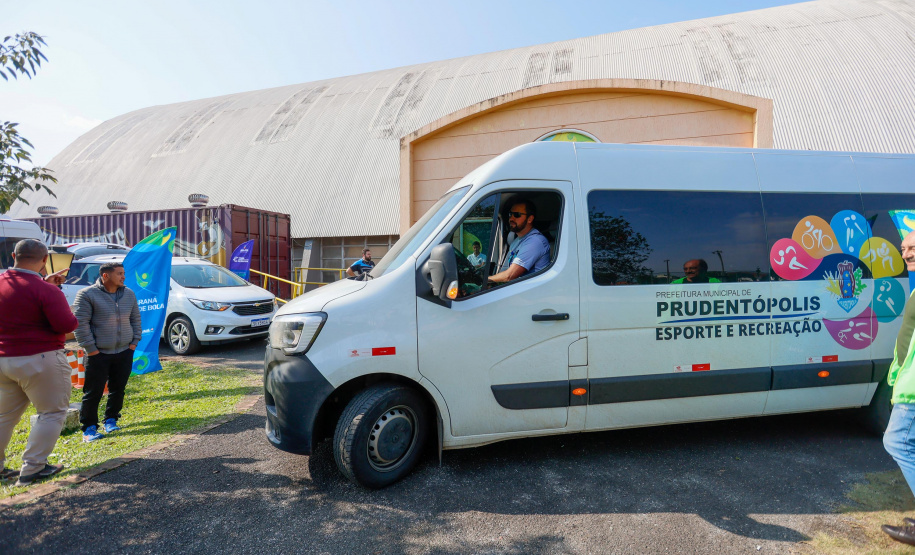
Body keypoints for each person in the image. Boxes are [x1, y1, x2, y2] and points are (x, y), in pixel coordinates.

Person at [0, 239, 76, 487]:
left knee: (4, 416)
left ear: (14, 255)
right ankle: (33, 468)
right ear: (45, 260)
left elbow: (19, 299)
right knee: (52, 412)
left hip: (4, 360)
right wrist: (51, 290)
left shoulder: (4, 283)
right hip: (40, 358)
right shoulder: (46, 291)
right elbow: (66, 326)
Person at [73, 261, 141, 442]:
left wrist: (134, 343)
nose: (123, 276)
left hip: (125, 351)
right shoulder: (87, 295)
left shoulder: (129, 294)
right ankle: (89, 428)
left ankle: (111, 419)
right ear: (105, 276)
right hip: (98, 354)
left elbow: (136, 320)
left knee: (118, 389)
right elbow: (80, 325)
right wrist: (92, 350)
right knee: (93, 392)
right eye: (119, 273)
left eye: (123, 273)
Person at [881, 229, 915, 547]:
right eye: (904, 248)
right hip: (906, 380)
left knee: (897, 442)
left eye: (913, 248)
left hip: (914, 389)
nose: (906, 254)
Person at [488, 198, 550, 284]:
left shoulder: (535, 241)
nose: (511, 218)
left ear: (530, 219)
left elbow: (509, 276)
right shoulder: (516, 241)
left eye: (517, 215)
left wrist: (485, 281)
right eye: (510, 214)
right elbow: (506, 272)